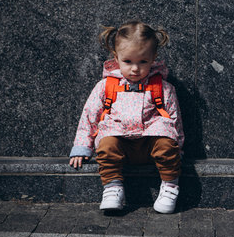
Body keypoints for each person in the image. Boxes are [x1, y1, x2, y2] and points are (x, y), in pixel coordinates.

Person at [69, 20, 184, 213]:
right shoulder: (105, 86)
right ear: (116, 58)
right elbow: (89, 116)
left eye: (143, 62)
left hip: (152, 143)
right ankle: (113, 188)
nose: (135, 69)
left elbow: (175, 120)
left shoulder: (163, 88)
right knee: (106, 145)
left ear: (153, 58)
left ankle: (170, 186)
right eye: (128, 62)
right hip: (120, 142)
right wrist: (82, 146)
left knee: (166, 144)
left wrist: (177, 150)